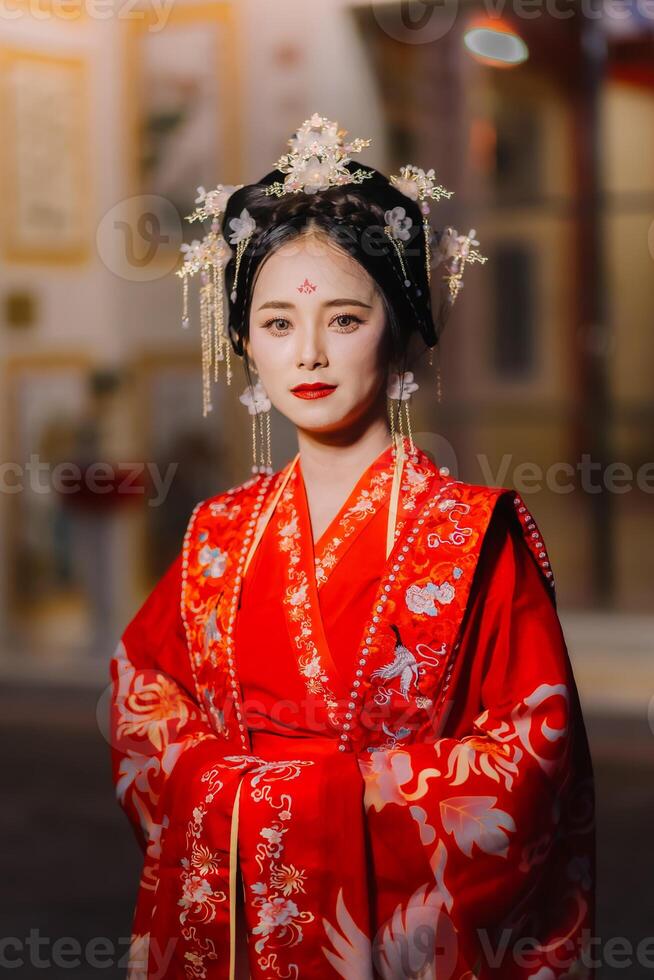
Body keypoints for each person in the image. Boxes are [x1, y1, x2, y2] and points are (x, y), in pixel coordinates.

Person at [109, 114, 595, 980]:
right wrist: (244, 797)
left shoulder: (471, 537)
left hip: (394, 941)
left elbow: (529, 758)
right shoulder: (219, 532)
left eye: (343, 318)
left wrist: (312, 799)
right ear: (244, 342)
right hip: (240, 927)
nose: (308, 353)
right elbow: (143, 706)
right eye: (276, 322)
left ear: (400, 329)